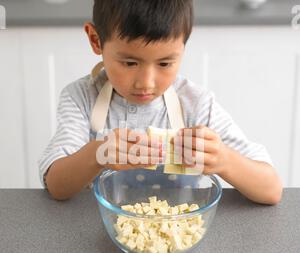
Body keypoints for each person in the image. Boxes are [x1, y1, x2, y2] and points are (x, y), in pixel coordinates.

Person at [38, 0, 282, 204]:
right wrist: (97, 154)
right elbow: (57, 186)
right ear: (96, 40)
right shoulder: (81, 98)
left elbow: (271, 190)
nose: (146, 82)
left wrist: (225, 160)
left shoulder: (196, 105)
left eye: (165, 64)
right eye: (129, 63)